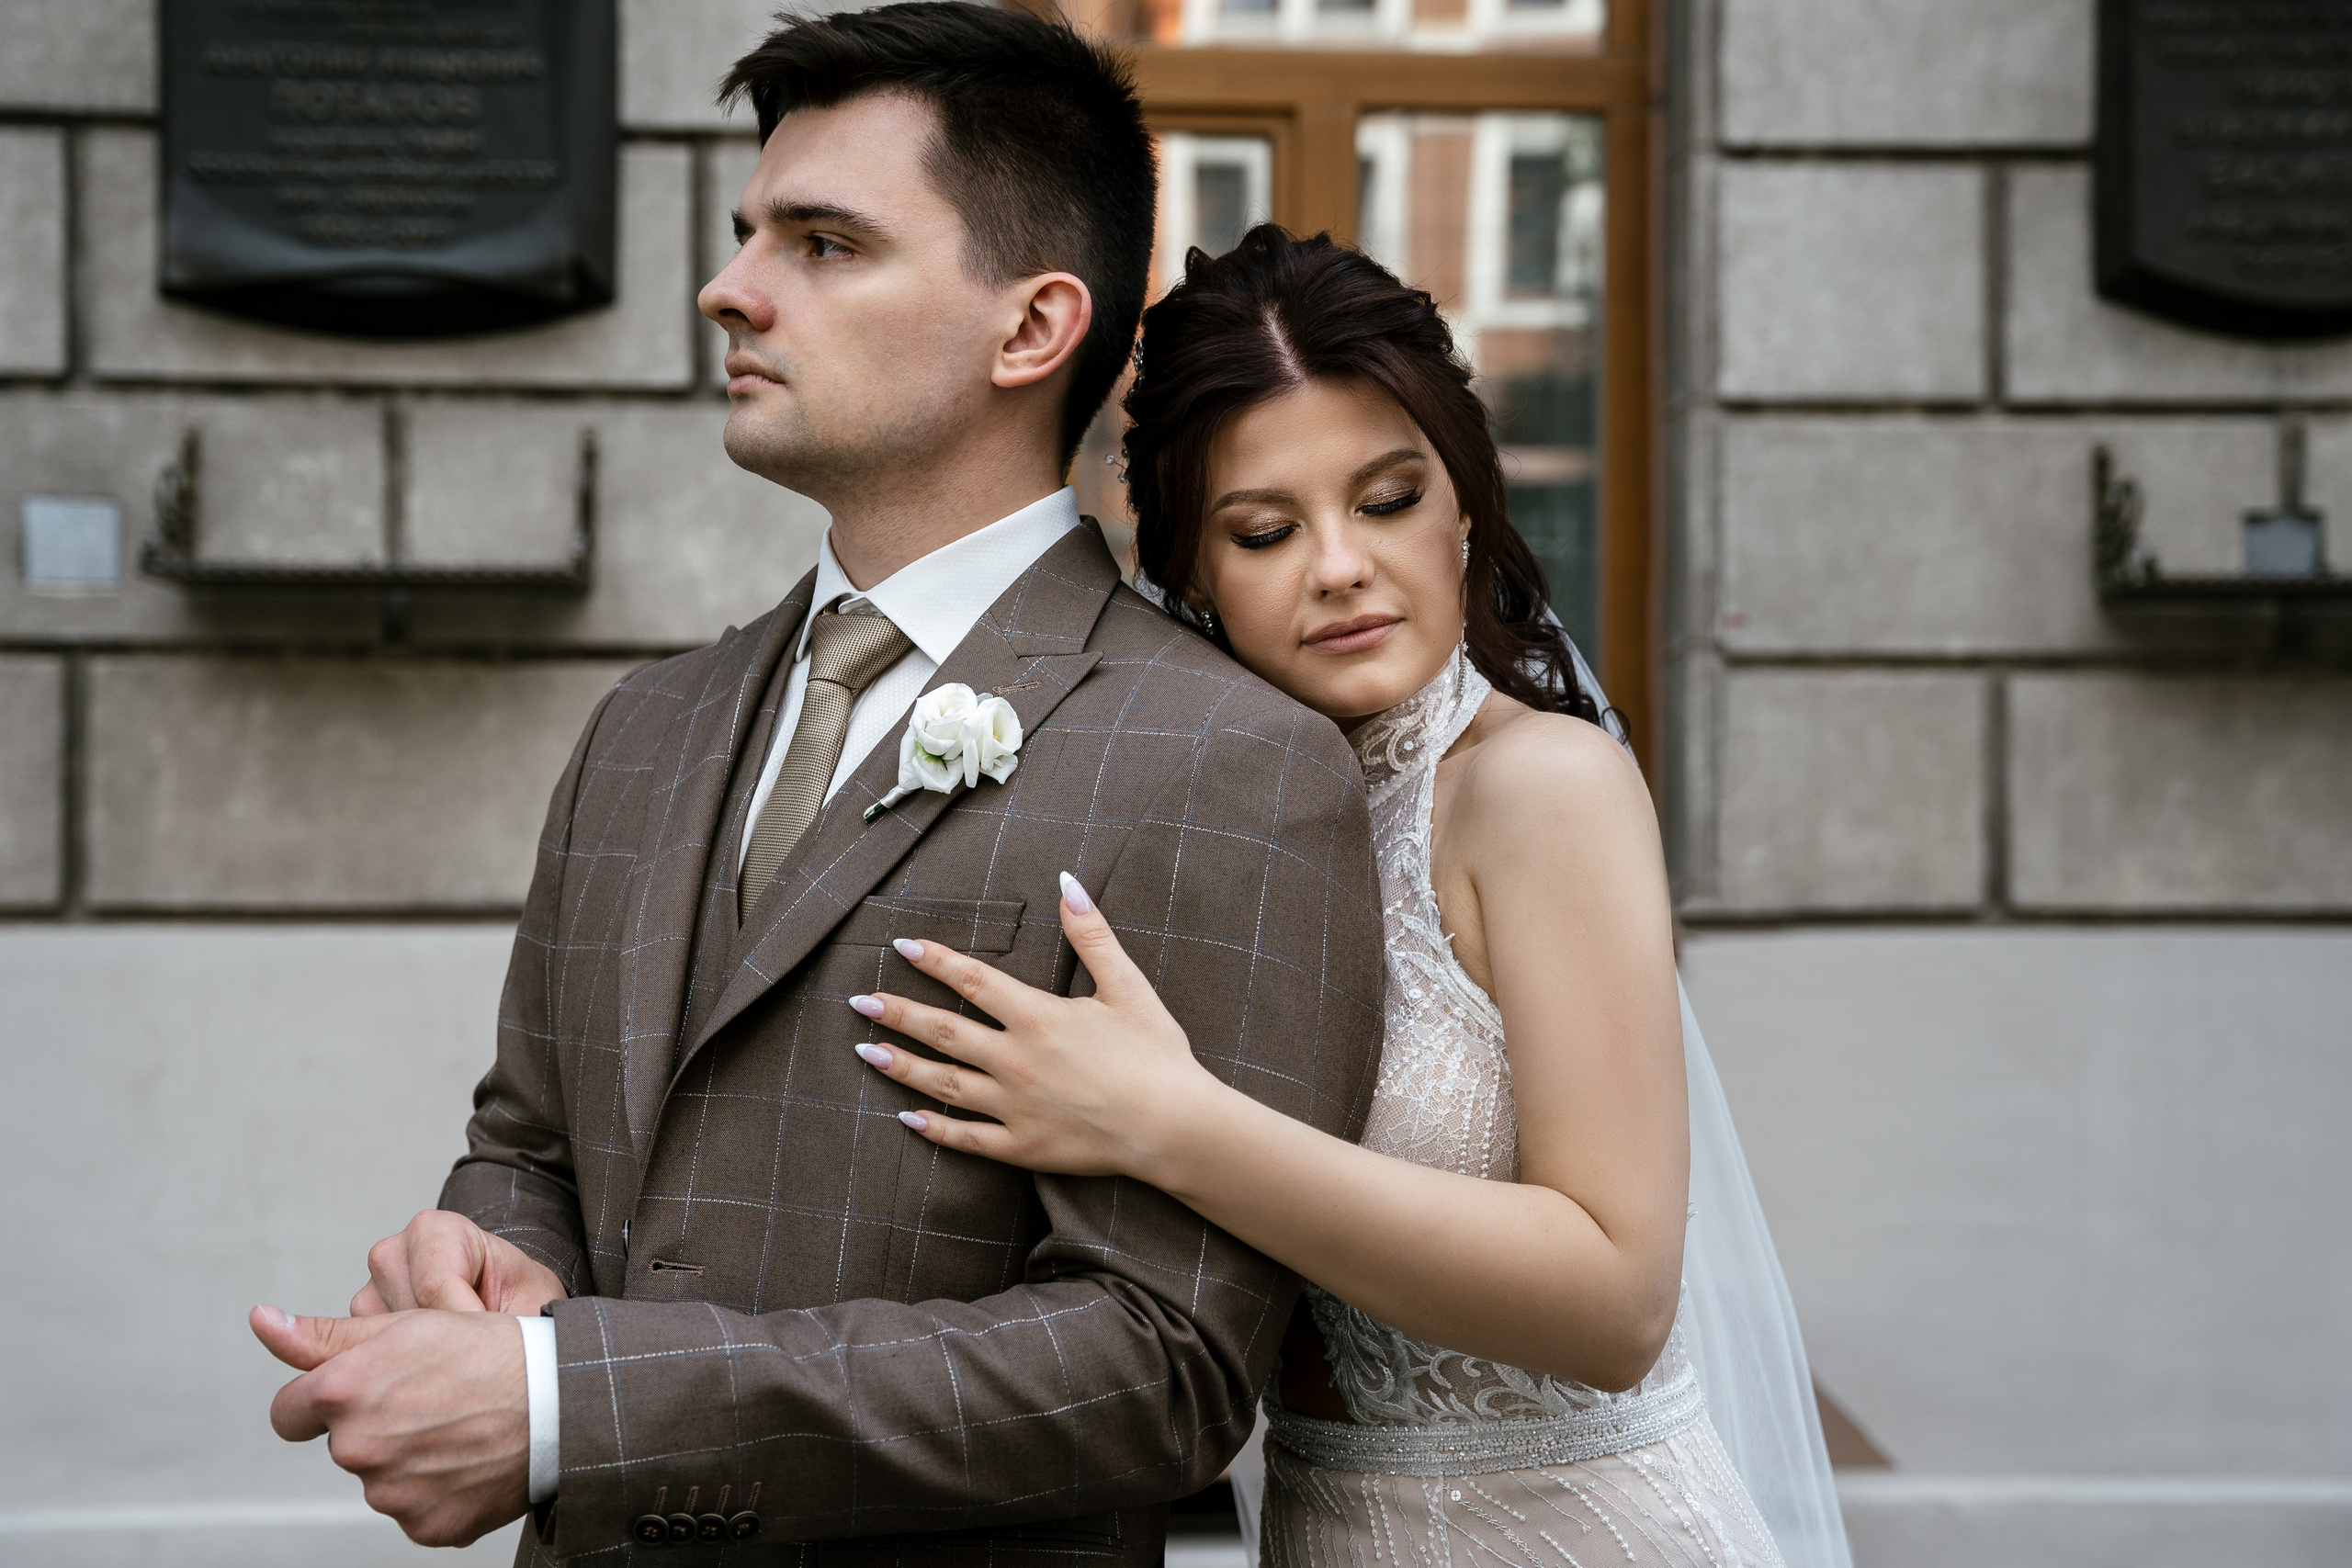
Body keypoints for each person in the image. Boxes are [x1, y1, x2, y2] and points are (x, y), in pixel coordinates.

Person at [243, 13, 1387, 1565]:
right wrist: (483, 1273)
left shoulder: (1227, 765)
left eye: (826, 243)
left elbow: (1164, 1376)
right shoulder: (645, 726)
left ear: (1032, 326)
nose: (731, 287)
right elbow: (532, 1144)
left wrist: (573, 1401)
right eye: (744, 236)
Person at [844, 227, 1855, 1568]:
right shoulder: (1213, 814)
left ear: (1467, 512)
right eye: (1266, 530)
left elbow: (1619, 1302)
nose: (1338, 566)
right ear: (1192, 574)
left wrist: (1170, 1124)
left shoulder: (1539, 789)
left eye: (1385, 501)